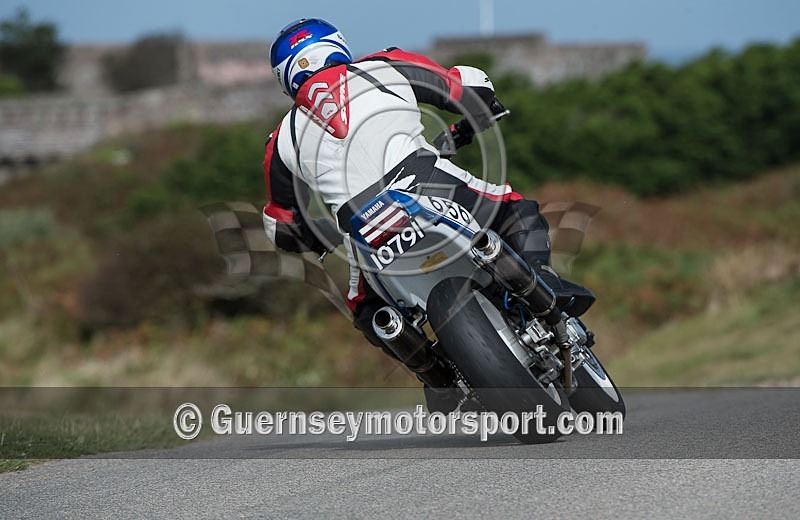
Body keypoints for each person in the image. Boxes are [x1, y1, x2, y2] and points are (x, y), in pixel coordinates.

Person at [262, 18, 594, 410]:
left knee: (368, 310)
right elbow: (463, 87)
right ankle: (544, 281)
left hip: (361, 226)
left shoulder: (280, 141)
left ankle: (436, 375)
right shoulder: (385, 64)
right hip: (424, 179)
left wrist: (317, 238)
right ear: (336, 46)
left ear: (286, 78)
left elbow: (280, 226)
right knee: (516, 209)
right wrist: (482, 108)